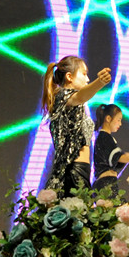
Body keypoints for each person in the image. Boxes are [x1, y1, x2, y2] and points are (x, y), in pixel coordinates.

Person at [42, 55, 111, 196]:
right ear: (69, 77)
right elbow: (80, 97)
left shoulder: (75, 105)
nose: (87, 79)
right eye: (84, 74)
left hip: (80, 170)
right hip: (72, 170)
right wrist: (99, 82)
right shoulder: (62, 95)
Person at [91, 104, 129, 195]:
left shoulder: (106, 137)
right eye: (118, 120)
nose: (120, 124)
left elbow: (120, 154)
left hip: (108, 183)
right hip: (105, 185)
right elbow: (119, 157)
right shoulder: (104, 138)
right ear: (108, 118)